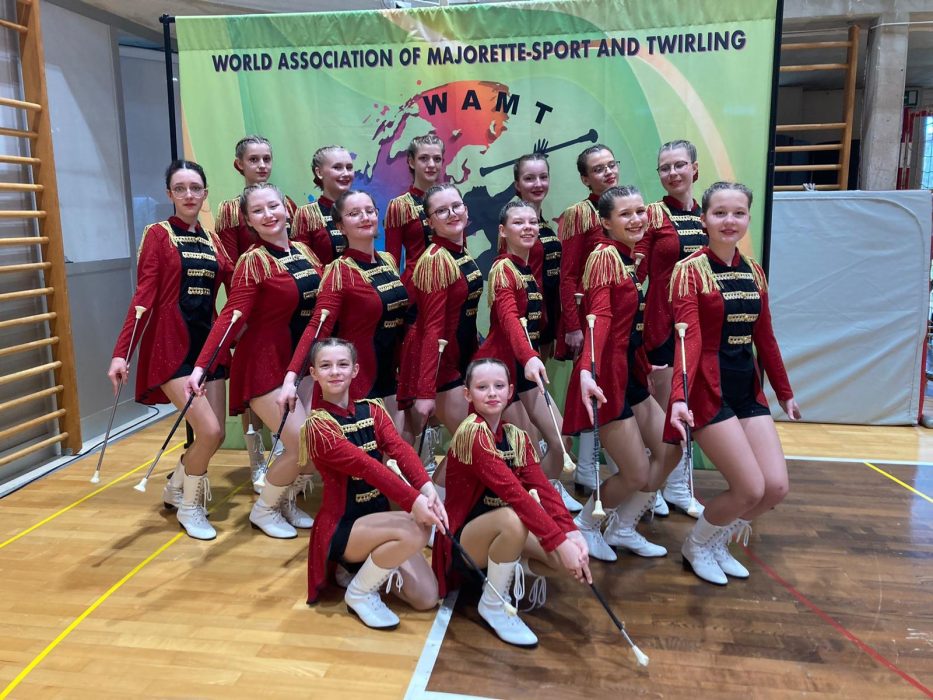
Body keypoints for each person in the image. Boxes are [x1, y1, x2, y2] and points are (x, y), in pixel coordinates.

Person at [667, 181, 800, 586]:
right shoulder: (690, 271)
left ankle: (716, 541)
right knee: (748, 488)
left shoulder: (754, 271)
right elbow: (686, 341)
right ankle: (696, 546)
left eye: (738, 213)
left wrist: (784, 392)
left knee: (775, 488)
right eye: (720, 213)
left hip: (746, 386)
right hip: (707, 388)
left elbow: (766, 338)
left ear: (748, 218)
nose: (729, 221)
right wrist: (679, 398)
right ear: (704, 219)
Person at [185, 183, 322, 539]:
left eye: (273, 206)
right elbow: (231, 317)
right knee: (302, 443)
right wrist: (200, 368)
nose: (268, 214)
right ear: (248, 221)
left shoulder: (305, 252)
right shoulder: (253, 261)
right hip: (264, 363)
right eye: (258, 211)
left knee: (312, 446)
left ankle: (285, 501)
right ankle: (264, 510)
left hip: (301, 362)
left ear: (287, 209)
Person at [108, 160, 233, 540]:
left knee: (216, 435)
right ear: (169, 194)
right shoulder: (159, 235)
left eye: (195, 188)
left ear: (205, 193)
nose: (189, 195)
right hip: (171, 345)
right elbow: (143, 298)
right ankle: (190, 507)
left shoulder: (213, 240)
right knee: (209, 431)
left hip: (208, 346)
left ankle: (177, 484)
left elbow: (238, 286)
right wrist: (122, 353)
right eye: (180, 188)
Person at [433, 358, 591, 648]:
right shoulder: (472, 433)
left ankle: (502, 572)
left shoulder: (515, 436)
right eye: (482, 387)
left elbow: (543, 488)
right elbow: (516, 495)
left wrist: (572, 533)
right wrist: (559, 541)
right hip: (462, 542)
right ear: (468, 394)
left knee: (560, 559)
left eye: (499, 386)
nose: (492, 393)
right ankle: (493, 604)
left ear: (510, 391)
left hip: (501, 534)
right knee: (513, 518)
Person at [563, 186, 678, 562]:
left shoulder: (627, 257)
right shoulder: (605, 258)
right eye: (625, 214)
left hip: (630, 372)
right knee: (636, 472)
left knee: (671, 448)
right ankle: (585, 525)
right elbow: (598, 320)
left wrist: (644, 361)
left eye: (640, 211)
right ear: (606, 222)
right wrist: (588, 370)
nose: (636, 219)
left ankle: (622, 527)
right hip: (607, 376)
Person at [300, 338, 447, 629]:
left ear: (355, 370)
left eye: (343, 364)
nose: (335, 372)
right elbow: (368, 468)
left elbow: (400, 449)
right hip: (344, 527)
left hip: (378, 519)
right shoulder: (319, 426)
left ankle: (363, 569)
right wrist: (414, 502)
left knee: (427, 598)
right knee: (416, 529)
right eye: (326, 366)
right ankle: (359, 592)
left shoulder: (373, 410)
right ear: (314, 373)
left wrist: (428, 489)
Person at [475, 201, 577, 513]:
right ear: (503, 231)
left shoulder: (525, 268)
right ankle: (525, 508)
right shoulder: (503, 269)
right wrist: (531, 356)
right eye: (519, 223)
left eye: (532, 222)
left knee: (562, 440)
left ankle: (536, 498)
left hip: (524, 366)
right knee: (524, 451)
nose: (528, 227)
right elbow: (508, 318)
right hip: (503, 370)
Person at [283, 190, 409, 431]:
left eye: (369, 211)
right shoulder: (339, 272)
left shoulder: (388, 261)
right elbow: (318, 327)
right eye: (354, 214)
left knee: (400, 445)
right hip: (359, 380)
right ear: (340, 226)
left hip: (391, 378)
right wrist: (292, 377)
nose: (365, 217)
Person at [214, 135, 299, 487]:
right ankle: (256, 459)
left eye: (266, 158)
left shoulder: (286, 203)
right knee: (255, 386)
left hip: (283, 306)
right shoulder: (230, 210)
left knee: (283, 384)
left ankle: (285, 454)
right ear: (239, 165)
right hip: (250, 307)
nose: (261, 165)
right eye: (254, 160)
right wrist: (242, 317)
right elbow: (229, 265)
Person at [636, 140, 708, 518]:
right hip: (662, 325)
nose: (673, 173)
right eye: (665, 168)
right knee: (665, 413)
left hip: (702, 326)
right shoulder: (652, 215)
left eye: (679, 165)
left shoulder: (709, 215)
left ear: (694, 169)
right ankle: (658, 485)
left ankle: (679, 486)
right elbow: (635, 274)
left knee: (689, 406)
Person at [397, 183, 483, 477]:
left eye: (456, 206)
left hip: (460, 355)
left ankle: (438, 496)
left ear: (466, 210)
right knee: (473, 443)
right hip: (438, 363)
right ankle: (432, 496)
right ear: (429, 222)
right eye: (442, 211)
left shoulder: (460, 251)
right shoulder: (435, 261)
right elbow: (432, 329)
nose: (452, 214)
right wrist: (425, 392)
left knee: (470, 445)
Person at [556, 145, 619, 495]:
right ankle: (585, 467)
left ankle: (607, 468)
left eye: (611, 165)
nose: (608, 172)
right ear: (585, 179)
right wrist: (573, 325)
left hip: (622, 313)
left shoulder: (626, 206)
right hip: (590, 316)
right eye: (598, 169)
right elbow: (567, 275)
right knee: (590, 386)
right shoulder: (579, 215)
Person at [511, 153, 561, 362]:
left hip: (548, 317)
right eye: (529, 178)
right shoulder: (513, 226)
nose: (538, 184)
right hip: (527, 320)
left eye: (543, 177)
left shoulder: (545, 225)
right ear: (518, 184)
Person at [384, 134, 445, 294]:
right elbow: (392, 262)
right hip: (416, 291)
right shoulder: (399, 206)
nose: (431, 164)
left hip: (451, 286)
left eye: (437, 159)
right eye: (424, 158)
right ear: (411, 162)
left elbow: (462, 251)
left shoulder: (451, 201)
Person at [291, 145, 355, 264]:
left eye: (349, 167)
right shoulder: (307, 215)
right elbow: (303, 264)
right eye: (337, 167)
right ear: (319, 172)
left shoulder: (362, 209)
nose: (346, 173)